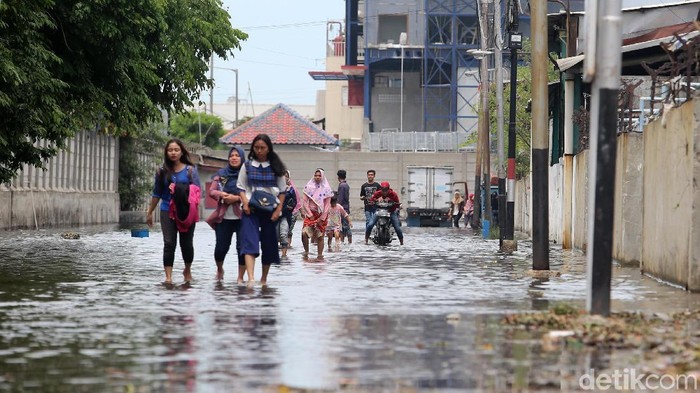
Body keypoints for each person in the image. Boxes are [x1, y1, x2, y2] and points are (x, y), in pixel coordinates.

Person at [146, 139, 201, 284]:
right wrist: (150, 211)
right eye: (170, 150)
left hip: (186, 211)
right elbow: (156, 193)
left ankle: (187, 269)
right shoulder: (162, 171)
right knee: (169, 243)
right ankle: (168, 277)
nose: (173, 153)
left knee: (186, 243)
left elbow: (196, 192)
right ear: (166, 152)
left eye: (176, 149)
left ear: (182, 151)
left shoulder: (190, 170)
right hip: (166, 210)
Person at [236, 134, 287, 286]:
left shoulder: (276, 167)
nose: (259, 151)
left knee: (269, 244)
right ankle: (251, 278)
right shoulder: (247, 165)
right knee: (249, 242)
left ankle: (263, 279)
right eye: (256, 147)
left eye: (262, 148)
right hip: (250, 208)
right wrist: (245, 203)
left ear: (269, 148)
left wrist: (278, 210)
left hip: (270, 210)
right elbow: (241, 186)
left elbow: (283, 191)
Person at [206, 145, 246, 282]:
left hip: (243, 216)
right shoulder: (221, 174)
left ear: (242, 157)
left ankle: (240, 277)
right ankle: (219, 269)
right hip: (224, 217)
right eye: (231, 155)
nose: (234, 158)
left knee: (242, 247)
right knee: (221, 248)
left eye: (237, 155)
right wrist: (222, 194)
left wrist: (237, 198)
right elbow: (211, 191)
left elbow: (253, 194)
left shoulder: (247, 174)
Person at [300, 168, 333, 261]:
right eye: (316, 175)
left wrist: (322, 217)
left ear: (322, 176)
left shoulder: (326, 189)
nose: (317, 177)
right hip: (310, 214)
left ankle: (320, 256)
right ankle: (306, 252)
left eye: (319, 175)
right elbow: (305, 202)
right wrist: (310, 214)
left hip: (321, 215)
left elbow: (327, 205)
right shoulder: (309, 187)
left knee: (320, 236)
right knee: (304, 233)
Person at [278, 170, 300, 257]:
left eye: (286, 176)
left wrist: (290, 207)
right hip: (274, 216)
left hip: (285, 215)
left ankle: (284, 255)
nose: (284, 177)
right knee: (275, 235)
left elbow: (295, 201)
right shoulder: (274, 187)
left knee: (284, 234)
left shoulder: (290, 189)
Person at [359, 169, 381, 235]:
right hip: (367, 206)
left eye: (371, 175)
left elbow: (380, 196)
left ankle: (378, 234)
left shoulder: (377, 185)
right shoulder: (364, 186)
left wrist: (379, 199)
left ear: (374, 176)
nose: (370, 176)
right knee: (368, 221)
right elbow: (361, 196)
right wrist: (362, 198)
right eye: (369, 175)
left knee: (377, 221)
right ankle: (367, 235)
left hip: (375, 206)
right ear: (367, 176)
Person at [336, 169, 352, 244]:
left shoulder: (342, 186)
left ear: (338, 177)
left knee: (345, 226)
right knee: (343, 226)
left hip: (343, 208)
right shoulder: (346, 185)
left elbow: (340, 199)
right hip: (346, 207)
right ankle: (343, 242)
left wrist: (337, 207)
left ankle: (347, 242)